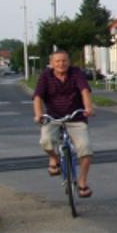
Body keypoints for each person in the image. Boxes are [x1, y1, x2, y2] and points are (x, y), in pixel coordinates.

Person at [33, 49, 96, 197]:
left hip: (76, 116)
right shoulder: (45, 76)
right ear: (51, 64)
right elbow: (37, 97)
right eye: (57, 61)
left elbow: (84, 91)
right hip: (52, 117)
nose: (61, 64)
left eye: (64, 61)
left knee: (85, 148)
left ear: (69, 62)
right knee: (46, 141)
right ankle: (54, 159)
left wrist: (88, 108)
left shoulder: (76, 73)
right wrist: (38, 115)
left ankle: (82, 183)